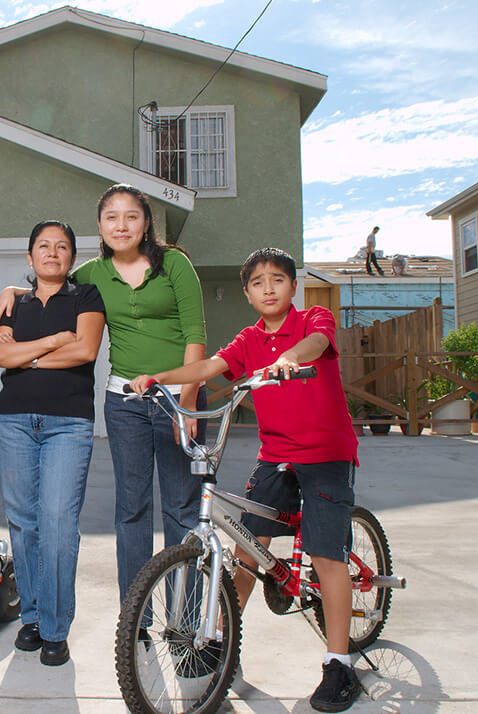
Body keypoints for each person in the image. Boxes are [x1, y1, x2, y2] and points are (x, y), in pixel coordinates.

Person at [129, 247, 361, 712]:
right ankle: (220, 639)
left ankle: (340, 664)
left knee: (324, 554)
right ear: (248, 293)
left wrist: (288, 360)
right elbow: (210, 366)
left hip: (326, 454)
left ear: (292, 286)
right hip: (276, 454)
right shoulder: (249, 339)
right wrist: (160, 377)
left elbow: (315, 345)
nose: (268, 288)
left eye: (278, 279)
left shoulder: (313, 319)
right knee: (245, 549)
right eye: (258, 282)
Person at [0, 184, 208, 606]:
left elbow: (195, 335)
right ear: (100, 225)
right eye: (112, 217)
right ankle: (137, 616)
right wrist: (15, 291)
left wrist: (187, 401)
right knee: (131, 510)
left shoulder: (175, 265)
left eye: (131, 216)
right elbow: (52, 285)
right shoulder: (92, 274)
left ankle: (185, 618)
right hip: (124, 400)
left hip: (178, 397)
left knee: (181, 509)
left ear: (146, 223)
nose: (122, 225)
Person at [0, 220, 106, 666]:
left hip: (68, 423)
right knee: (22, 520)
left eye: (62, 247)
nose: (52, 253)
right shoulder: (12, 304)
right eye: (43, 246)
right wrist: (55, 341)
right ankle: (32, 618)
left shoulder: (86, 297)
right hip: (13, 421)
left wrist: (28, 355)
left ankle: (56, 627)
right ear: (29, 256)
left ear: (73, 257)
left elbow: (85, 351)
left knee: (57, 522)